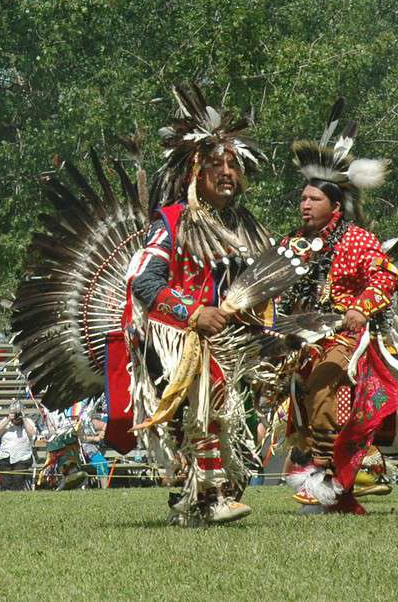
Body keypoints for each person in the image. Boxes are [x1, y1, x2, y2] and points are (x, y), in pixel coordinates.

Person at [122, 85, 270, 526]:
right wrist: (192, 313)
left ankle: (196, 499)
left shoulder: (247, 227)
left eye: (233, 165)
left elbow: (258, 285)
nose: (227, 172)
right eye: (215, 164)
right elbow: (142, 280)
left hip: (232, 337)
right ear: (194, 172)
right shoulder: (171, 221)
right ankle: (211, 492)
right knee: (211, 387)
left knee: (232, 405)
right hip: (176, 334)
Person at [278, 106, 398, 517]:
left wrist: (360, 307)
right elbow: (273, 283)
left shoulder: (356, 240)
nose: (304, 204)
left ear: (333, 204)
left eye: (313, 198)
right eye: (302, 197)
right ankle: (334, 486)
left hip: (343, 337)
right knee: (301, 405)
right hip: (301, 338)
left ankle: (322, 474)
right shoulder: (293, 242)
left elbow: (385, 276)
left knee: (323, 387)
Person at [0, 401, 39, 490]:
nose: (16, 417)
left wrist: (24, 419)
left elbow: (33, 434)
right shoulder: (6, 421)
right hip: (5, 456)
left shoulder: (28, 422)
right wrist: (8, 419)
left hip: (23, 457)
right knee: (5, 483)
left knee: (18, 480)